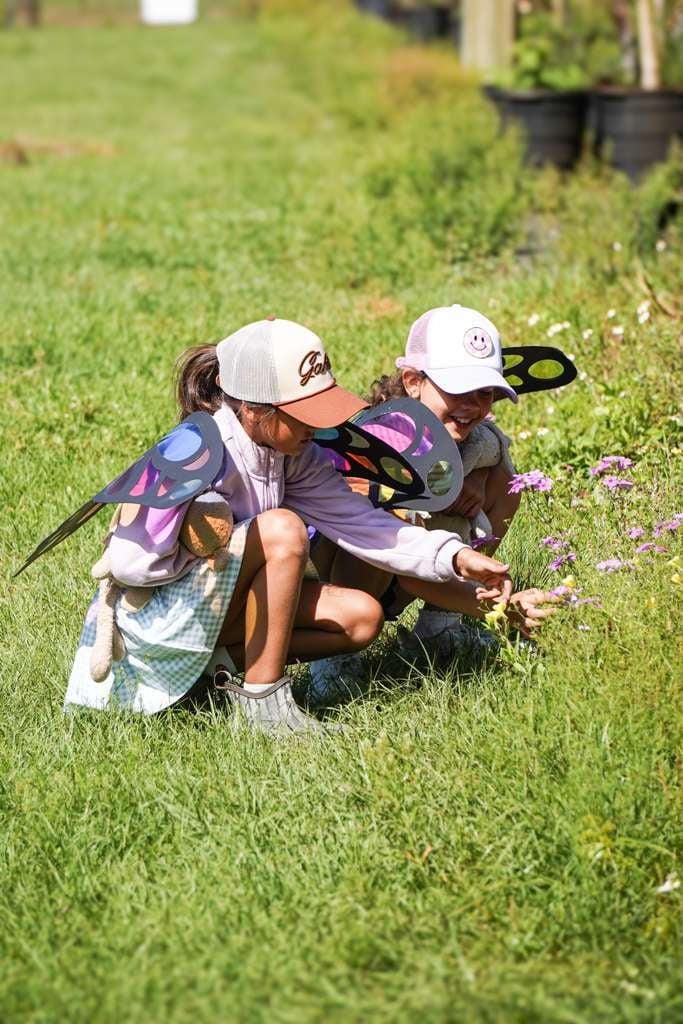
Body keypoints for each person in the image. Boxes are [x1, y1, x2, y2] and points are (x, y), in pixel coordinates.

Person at [64, 316, 549, 735]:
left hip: (210, 616)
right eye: (303, 416)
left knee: (361, 618)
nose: (315, 429)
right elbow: (129, 565)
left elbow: (368, 529)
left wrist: (456, 556)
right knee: (282, 529)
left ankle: (217, 674)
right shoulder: (195, 446)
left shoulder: (291, 455)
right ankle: (264, 707)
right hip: (148, 633)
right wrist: (201, 534)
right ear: (253, 409)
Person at [308, 304, 538, 706]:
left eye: (484, 392)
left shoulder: (471, 431)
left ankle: (438, 626)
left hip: (426, 558)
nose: (473, 405)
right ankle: (336, 654)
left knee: (509, 481)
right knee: (383, 510)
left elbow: (492, 448)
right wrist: (492, 606)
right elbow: (398, 551)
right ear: (413, 381)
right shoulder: (387, 444)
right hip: (354, 573)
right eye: (458, 390)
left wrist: (479, 480)